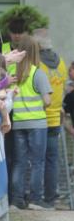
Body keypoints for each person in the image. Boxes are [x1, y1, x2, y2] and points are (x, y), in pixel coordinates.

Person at [10, 34, 52, 210]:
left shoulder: (12, 72)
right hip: (37, 124)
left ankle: (16, 200)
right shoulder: (38, 73)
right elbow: (48, 101)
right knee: (37, 162)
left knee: (19, 162)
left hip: (18, 123)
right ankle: (35, 199)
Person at [34, 29, 68, 207]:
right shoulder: (60, 62)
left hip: (39, 117)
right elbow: (61, 86)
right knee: (52, 160)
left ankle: (35, 197)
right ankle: (50, 198)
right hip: (56, 117)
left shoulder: (37, 63)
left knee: (37, 160)